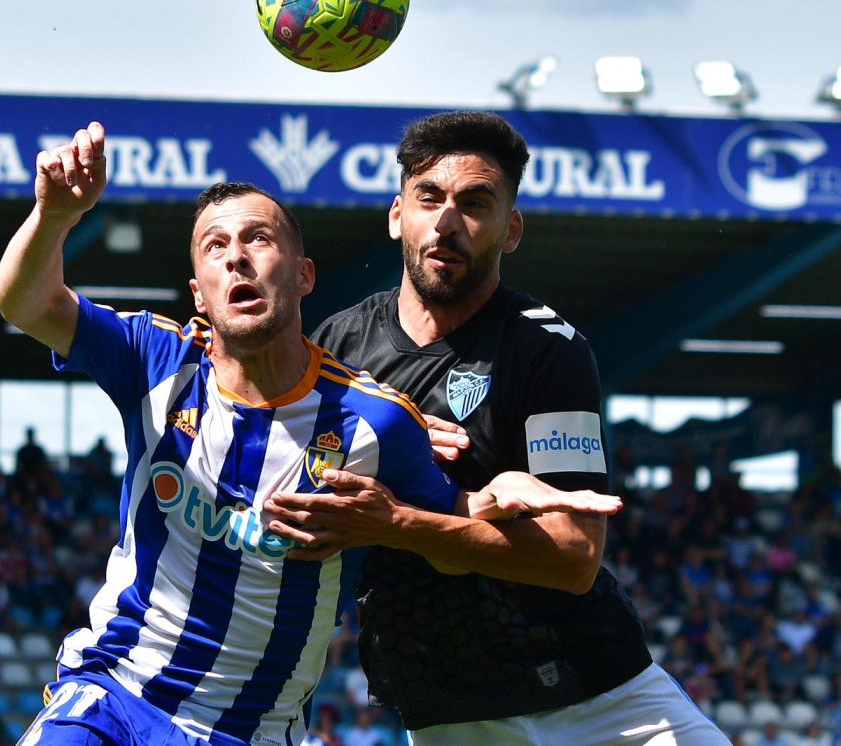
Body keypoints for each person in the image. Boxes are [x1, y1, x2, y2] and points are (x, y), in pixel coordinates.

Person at [0, 121, 619, 746]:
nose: (236, 254)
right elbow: (22, 303)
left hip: (252, 730)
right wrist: (54, 215)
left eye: (259, 239)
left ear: (303, 276)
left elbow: (446, 527)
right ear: (199, 296)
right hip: (115, 695)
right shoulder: (155, 362)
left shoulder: (378, 421)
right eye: (215, 246)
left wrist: (494, 492)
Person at [265, 111, 729, 744]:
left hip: (604, 700)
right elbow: (287, 504)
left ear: (510, 230)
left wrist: (397, 521)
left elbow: (572, 557)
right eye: (429, 198)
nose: (448, 222)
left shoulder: (548, 349)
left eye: (475, 204)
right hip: (448, 710)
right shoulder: (337, 349)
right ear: (398, 213)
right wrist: (390, 439)